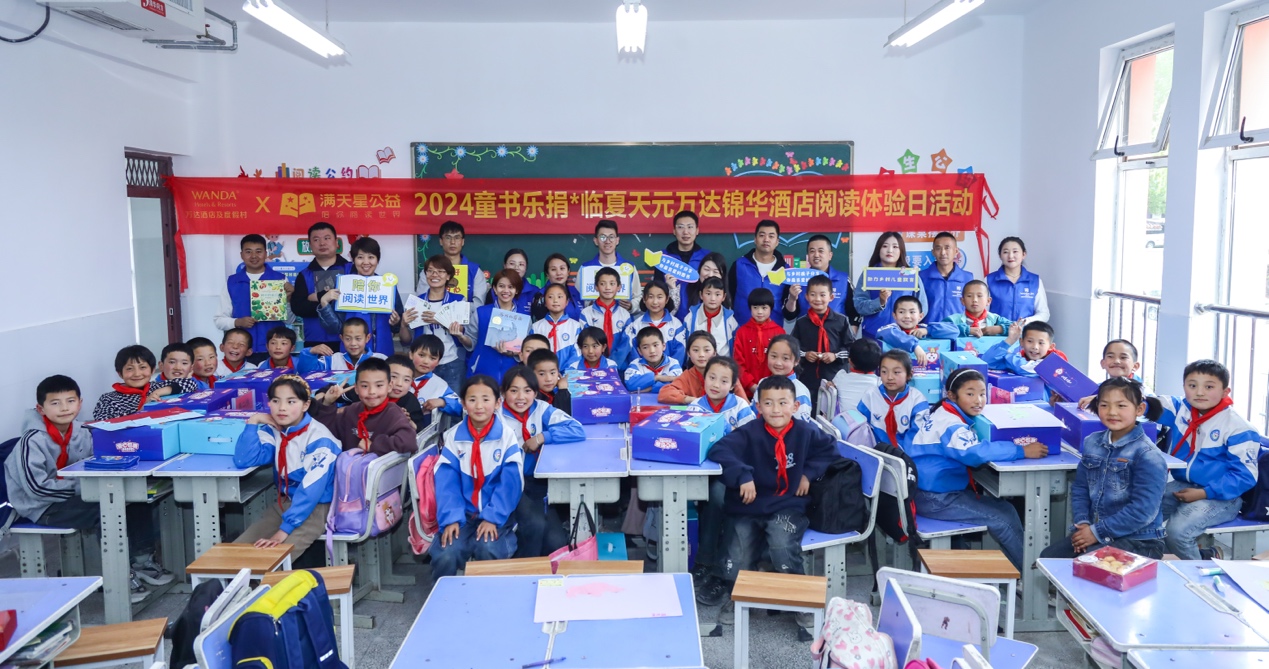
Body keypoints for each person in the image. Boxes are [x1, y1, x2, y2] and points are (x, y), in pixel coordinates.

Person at [9, 375, 172, 599]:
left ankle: (142, 561)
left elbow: (95, 463)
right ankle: (114, 577)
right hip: (42, 506)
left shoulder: (83, 431)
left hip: (74, 495)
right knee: (106, 510)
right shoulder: (31, 441)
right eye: (55, 403)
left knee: (134, 500)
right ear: (41, 409)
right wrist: (85, 489)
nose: (64, 408)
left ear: (80, 403)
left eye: (70, 401)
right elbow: (36, 488)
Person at [708, 375, 838, 639]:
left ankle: (801, 601)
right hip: (749, 505)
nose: (776, 409)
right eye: (768, 403)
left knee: (782, 543)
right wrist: (743, 474)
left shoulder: (806, 432)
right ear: (758, 406)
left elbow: (830, 450)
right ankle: (737, 595)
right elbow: (719, 450)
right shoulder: (749, 432)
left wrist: (808, 473)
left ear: (795, 406)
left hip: (788, 504)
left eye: (782, 403)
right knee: (738, 551)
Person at [908, 368, 1048, 571]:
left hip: (925, 491)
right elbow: (975, 453)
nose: (978, 400)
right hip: (935, 499)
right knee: (1004, 517)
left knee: (1005, 508)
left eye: (982, 394)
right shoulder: (952, 424)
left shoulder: (941, 411)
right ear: (952, 395)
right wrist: (1021, 450)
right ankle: (1032, 575)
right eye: (970, 394)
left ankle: (1016, 569)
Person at [1041, 378, 1167, 559]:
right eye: (1104, 405)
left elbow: (1143, 511)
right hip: (1098, 532)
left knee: (1086, 563)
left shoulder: (1148, 454)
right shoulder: (1092, 442)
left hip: (1140, 540)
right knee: (1048, 557)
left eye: (1121, 406)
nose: (1112, 412)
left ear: (1139, 409)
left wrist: (1095, 532)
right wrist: (1083, 523)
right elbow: (1080, 488)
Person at [1156, 360, 1262, 560]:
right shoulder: (1180, 408)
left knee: (1177, 533)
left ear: (1225, 392)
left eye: (1209, 387)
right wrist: (1108, 398)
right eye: (1192, 385)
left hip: (1224, 496)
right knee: (1140, 511)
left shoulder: (1239, 428)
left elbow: (1245, 477)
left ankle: (1200, 574)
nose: (1199, 392)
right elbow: (1143, 404)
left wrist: (1203, 493)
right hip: (1184, 484)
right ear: (1184, 386)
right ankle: (1205, 556)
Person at [232, 375, 340, 559]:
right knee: (237, 552)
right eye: (276, 401)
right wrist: (253, 422)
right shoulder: (276, 430)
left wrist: (284, 530)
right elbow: (245, 459)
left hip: (316, 508)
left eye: (291, 402)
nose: (282, 408)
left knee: (275, 560)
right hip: (286, 505)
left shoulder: (320, 440)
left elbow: (311, 492)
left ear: (305, 405)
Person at [431, 375, 524, 578]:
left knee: (488, 548)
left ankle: (489, 594)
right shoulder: (453, 437)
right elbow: (447, 483)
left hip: (496, 513)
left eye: (486, 399)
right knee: (447, 552)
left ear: (497, 403)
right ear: (463, 404)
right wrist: (451, 518)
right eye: (472, 400)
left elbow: (510, 484)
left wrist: (492, 518)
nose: (479, 406)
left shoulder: (507, 437)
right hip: (462, 514)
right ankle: (443, 594)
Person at [499, 366, 584, 557]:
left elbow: (577, 429)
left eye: (527, 391)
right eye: (514, 391)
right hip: (508, 483)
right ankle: (524, 567)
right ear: (503, 393)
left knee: (556, 543)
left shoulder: (541, 409)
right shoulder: (496, 415)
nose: (521, 397)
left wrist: (541, 437)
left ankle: (542, 569)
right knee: (534, 525)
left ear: (536, 393)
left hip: (536, 483)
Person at [316, 236, 403, 357]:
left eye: (371, 257)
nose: (366, 262)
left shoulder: (387, 286)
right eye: (360, 257)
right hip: (351, 353)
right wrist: (324, 303)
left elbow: (398, 327)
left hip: (382, 353)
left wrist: (396, 322)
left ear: (378, 260)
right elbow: (335, 328)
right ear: (353, 259)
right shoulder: (344, 285)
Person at [311, 357, 416, 456]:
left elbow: (409, 442)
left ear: (389, 386)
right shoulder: (351, 411)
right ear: (356, 388)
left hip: (374, 468)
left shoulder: (393, 412)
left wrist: (373, 446)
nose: (372, 392)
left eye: (379, 385)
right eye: (365, 386)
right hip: (347, 466)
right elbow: (324, 430)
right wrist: (327, 403)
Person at [215, 234, 291, 360]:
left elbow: (290, 320)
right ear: (241, 255)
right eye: (248, 252)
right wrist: (237, 322)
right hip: (241, 352)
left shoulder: (280, 280)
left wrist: (288, 300)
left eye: (258, 251)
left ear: (266, 254)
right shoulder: (232, 282)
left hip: (274, 350)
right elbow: (219, 320)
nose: (254, 256)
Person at [401, 254, 469, 393]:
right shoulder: (416, 302)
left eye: (440, 271)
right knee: (422, 400)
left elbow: (464, 332)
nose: (434, 275)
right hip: (423, 363)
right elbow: (406, 341)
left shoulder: (458, 300)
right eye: (430, 271)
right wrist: (403, 325)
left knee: (452, 403)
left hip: (452, 361)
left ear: (448, 276)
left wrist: (441, 320)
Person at [790, 274, 854, 414]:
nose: (817, 299)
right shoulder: (801, 322)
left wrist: (835, 355)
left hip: (834, 376)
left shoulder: (841, 321)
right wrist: (805, 354)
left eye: (822, 295)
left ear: (831, 297)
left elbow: (851, 349)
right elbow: (792, 348)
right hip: (808, 376)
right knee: (809, 411)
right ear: (806, 297)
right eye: (813, 294)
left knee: (832, 413)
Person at [854, 232, 928, 340]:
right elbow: (859, 306)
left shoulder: (910, 274)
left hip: (903, 337)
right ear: (878, 249)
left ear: (901, 250)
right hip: (872, 335)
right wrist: (880, 302)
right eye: (885, 246)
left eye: (895, 247)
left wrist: (908, 325)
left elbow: (923, 308)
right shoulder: (869, 274)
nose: (890, 250)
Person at [290, 222, 349, 350]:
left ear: (336, 242)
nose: (322, 243)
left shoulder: (351, 270)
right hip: (315, 341)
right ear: (310, 245)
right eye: (316, 240)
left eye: (327, 238)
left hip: (349, 341)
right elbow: (298, 308)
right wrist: (325, 301)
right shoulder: (304, 275)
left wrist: (316, 297)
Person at [858, 350, 930, 450]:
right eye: (884, 372)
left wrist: (899, 455)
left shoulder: (917, 400)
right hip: (875, 451)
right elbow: (861, 427)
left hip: (906, 453)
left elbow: (917, 435)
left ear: (909, 374)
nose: (889, 377)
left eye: (896, 372)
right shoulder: (870, 395)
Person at [466, 269, 527, 380]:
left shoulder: (523, 318)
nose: (506, 290)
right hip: (481, 373)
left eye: (511, 287)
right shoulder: (481, 312)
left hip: (512, 375)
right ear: (494, 289)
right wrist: (461, 336)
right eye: (501, 286)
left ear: (517, 290)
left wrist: (512, 353)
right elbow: (471, 341)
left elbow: (526, 349)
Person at [782, 234, 856, 322]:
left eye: (821, 251)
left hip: (836, 330)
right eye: (812, 251)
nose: (816, 255)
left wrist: (851, 330)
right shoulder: (797, 280)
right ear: (808, 256)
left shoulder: (843, 280)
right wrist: (792, 299)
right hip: (806, 330)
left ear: (830, 255)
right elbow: (789, 316)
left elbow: (854, 313)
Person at [657, 332, 748, 405]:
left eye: (707, 350)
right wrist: (692, 400)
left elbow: (745, 404)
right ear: (688, 353)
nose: (701, 355)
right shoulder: (688, 375)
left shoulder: (727, 372)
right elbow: (664, 393)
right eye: (696, 350)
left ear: (714, 353)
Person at [728, 220, 788, 326]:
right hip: (742, 330)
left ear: (777, 242)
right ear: (755, 239)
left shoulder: (785, 271)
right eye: (762, 235)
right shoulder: (739, 265)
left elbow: (787, 303)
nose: (766, 239)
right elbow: (729, 295)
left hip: (773, 331)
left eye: (771, 236)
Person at [655, 210, 711, 321]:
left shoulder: (707, 258)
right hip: (669, 319)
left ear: (697, 231)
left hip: (701, 319)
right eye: (680, 227)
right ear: (674, 231)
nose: (685, 232)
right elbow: (656, 289)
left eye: (690, 227)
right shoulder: (662, 258)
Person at [580, 220, 642, 312]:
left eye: (611, 237)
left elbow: (639, 297)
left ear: (617, 240)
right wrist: (589, 305)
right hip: (593, 319)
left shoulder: (629, 267)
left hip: (623, 319)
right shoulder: (585, 268)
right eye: (602, 237)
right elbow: (577, 300)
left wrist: (631, 306)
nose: (607, 241)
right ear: (596, 241)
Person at [733, 287, 785, 396]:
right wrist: (751, 385)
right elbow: (738, 362)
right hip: (746, 391)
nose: (759, 312)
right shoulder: (742, 332)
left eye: (764, 308)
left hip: (772, 389)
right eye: (755, 308)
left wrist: (770, 384)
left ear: (771, 308)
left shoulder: (779, 332)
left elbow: (781, 362)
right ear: (750, 308)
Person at [985, 237, 1050, 324]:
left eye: (1015, 251)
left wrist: (1024, 322)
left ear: (1024, 254)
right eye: (1005, 252)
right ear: (1000, 255)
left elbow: (1044, 314)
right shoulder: (989, 280)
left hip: (1026, 331)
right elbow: (982, 312)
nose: (1010, 256)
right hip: (997, 331)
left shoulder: (1035, 281)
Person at [581, 267, 633, 368]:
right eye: (602, 284)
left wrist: (611, 364)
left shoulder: (625, 314)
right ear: (596, 287)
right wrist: (600, 365)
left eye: (612, 284)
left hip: (619, 366)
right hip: (593, 366)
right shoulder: (586, 314)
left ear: (619, 287)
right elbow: (585, 342)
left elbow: (626, 343)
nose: (607, 287)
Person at [626, 279, 686, 364]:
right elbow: (633, 352)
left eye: (659, 297)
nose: (655, 302)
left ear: (667, 299)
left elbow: (680, 352)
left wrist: (668, 369)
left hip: (670, 371)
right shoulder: (636, 325)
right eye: (650, 297)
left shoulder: (676, 324)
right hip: (642, 371)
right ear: (644, 299)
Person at [920, 232, 975, 325]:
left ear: (956, 251)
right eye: (938, 248)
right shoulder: (921, 277)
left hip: (959, 330)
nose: (943, 253)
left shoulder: (967, 278)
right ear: (933, 252)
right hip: (929, 331)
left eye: (947, 248)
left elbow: (973, 309)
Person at [1078, 340, 1150, 410]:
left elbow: (1152, 409)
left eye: (1123, 357)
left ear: (1135, 366)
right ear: (1103, 363)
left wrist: (1101, 399)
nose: (1116, 361)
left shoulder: (1143, 390)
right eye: (1110, 356)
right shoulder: (1098, 388)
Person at [408, 334, 463, 426]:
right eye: (421, 355)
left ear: (438, 362)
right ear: (411, 354)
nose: (426, 361)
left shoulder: (440, 384)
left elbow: (460, 406)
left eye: (432, 358)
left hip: (425, 431)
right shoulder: (400, 378)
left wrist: (442, 402)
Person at [298, 317, 386, 373]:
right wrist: (310, 352)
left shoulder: (381, 360)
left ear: (367, 338)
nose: (353, 343)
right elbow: (306, 372)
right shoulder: (333, 360)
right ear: (341, 338)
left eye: (358, 338)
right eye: (348, 339)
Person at [691, 357, 756, 432]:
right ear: (704, 378)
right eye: (712, 378)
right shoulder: (695, 407)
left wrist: (727, 428)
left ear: (732, 386)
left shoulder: (741, 406)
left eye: (724, 381)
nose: (716, 385)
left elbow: (749, 435)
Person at [982, 321, 1067, 378]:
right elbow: (987, 362)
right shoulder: (1019, 357)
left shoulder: (1056, 361)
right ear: (1021, 342)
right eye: (1030, 341)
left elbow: (1027, 368)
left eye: (1041, 343)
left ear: (1051, 346)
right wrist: (1010, 340)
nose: (1035, 347)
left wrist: (1009, 356)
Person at [92, 345, 157, 420]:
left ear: (153, 370)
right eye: (129, 369)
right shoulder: (109, 399)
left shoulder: (156, 387)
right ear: (120, 373)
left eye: (142, 367)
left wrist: (159, 392)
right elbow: (102, 422)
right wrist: (141, 411)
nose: (137, 374)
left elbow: (170, 385)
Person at [758, 335, 813, 421]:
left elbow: (801, 426)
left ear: (796, 361)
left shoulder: (799, 391)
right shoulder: (763, 383)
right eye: (774, 356)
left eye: (785, 358)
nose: (778, 363)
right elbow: (753, 414)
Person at [435, 220, 489, 306]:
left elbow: (478, 305)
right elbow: (422, 299)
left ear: (462, 241)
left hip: (467, 314)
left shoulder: (475, 271)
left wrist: (458, 310)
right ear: (441, 241)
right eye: (448, 237)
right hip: (435, 314)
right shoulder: (431, 270)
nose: (452, 242)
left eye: (457, 237)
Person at [530, 283, 583, 369]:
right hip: (543, 373)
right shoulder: (536, 327)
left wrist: (566, 372)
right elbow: (533, 353)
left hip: (569, 374)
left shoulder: (576, 326)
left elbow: (577, 354)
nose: (555, 300)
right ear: (545, 302)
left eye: (560, 297)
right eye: (550, 297)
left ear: (567, 302)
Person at [683, 278, 738, 356]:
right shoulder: (690, 318)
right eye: (708, 294)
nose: (713, 298)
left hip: (722, 361)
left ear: (724, 297)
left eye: (717, 294)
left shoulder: (730, 320)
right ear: (701, 295)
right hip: (697, 361)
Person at [830, 338, 883, 419]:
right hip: (869, 425)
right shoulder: (879, 383)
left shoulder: (840, 377)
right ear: (878, 364)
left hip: (842, 424)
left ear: (850, 361)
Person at [624, 327, 683, 393]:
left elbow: (677, 385)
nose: (652, 351)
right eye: (645, 347)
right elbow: (630, 384)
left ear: (663, 346)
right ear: (639, 351)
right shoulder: (635, 364)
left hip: (666, 399)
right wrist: (656, 378)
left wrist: (649, 388)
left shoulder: (673, 363)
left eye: (655, 345)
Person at [944, 280, 1010, 337]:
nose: (975, 300)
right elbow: (939, 329)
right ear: (963, 301)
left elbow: (1015, 327)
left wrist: (1000, 329)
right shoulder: (954, 320)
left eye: (979, 296)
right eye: (969, 296)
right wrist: (967, 330)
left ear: (988, 301)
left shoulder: (995, 319)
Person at [531, 253, 584, 321]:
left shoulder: (576, 291)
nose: (558, 273)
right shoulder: (541, 296)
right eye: (553, 269)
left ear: (568, 272)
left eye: (562, 268)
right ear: (547, 274)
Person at [387, 355, 427, 432]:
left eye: (406, 380)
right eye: (394, 376)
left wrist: (409, 422)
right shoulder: (371, 395)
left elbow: (419, 428)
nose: (399, 384)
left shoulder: (411, 401)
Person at [502, 248, 538, 317]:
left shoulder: (535, 292)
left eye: (521, 264)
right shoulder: (495, 291)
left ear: (526, 268)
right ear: (505, 266)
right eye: (512, 263)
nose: (516, 267)